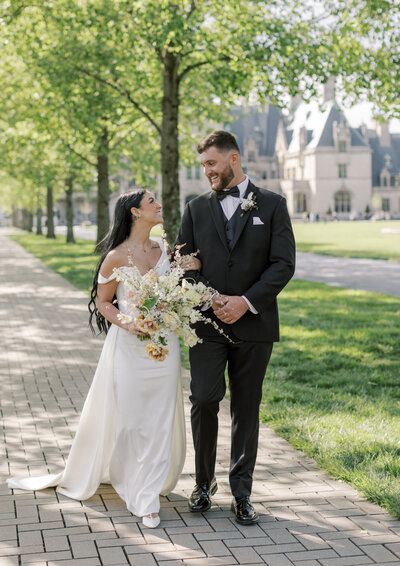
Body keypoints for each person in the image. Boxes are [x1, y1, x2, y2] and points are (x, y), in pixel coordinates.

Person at [7, 190, 200, 529]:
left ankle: (147, 495)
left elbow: (175, 289)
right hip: (129, 346)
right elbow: (104, 302)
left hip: (165, 347)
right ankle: (128, 480)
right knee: (130, 421)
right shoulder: (115, 257)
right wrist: (130, 323)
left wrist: (188, 273)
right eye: (152, 201)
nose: (159, 205)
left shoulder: (164, 251)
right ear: (135, 212)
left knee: (159, 420)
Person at [176, 131, 295, 525]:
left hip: (254, 324)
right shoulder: (194, 209)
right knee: (204, 399)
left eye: (212, 163)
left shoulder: (274, 205)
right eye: (203, 166)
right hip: (207, 326)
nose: (207, 171)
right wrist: (212, 301)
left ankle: (242, 492)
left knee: (247, 407)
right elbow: (183, 265)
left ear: (234, 159)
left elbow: (283, 264)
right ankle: (203, 483)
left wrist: (244, 302)